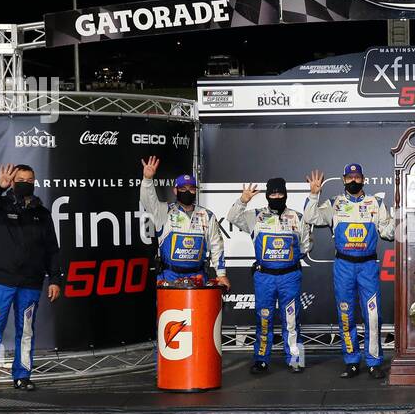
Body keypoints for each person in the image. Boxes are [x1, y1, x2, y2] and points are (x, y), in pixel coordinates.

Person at [0, 164, 63, 398]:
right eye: (20, 179)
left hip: (31, 283)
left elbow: (52, 250)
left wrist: (54, 279)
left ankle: (22, 376)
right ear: (11, 181)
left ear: (35, 182)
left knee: (27, 332)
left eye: (29, 179)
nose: (25, 182)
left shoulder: (42, 213)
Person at [304, 164, 394, 378]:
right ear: (343, 179)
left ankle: (373, 361)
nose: (353, 180)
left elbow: (389, 233)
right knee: (346, 314)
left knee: (372, 316)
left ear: (364, 179)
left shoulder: (376, 203)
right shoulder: (334, 203)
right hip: (344, 266)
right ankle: (352, 361)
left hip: (368, 266)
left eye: (357, 177)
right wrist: (314, 195)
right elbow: (311, 218)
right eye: (349, 177)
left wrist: (399, 218)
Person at [228, 178, 312, 375]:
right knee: (263, 319)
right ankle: (261, 360)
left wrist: (286, 260)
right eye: (272, 194)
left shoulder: (297, 217)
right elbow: (232, 217)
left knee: (291, 320)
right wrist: (243, 200)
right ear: (267, 196)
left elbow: (306, 245)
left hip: (289, 276)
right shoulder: (256, 217)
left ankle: (295, 358)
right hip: (264, 277)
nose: (276, 197)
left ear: (285, 194)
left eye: (279, 194)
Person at [139, 157, 229, 289]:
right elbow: (148, 201)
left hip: (198, 279)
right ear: (175, 190)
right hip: (169, 278)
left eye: (191, 188)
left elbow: (217, 246)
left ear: (196, 191)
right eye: (183, 188)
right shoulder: (164, 212)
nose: (187, 191)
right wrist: (147, 179)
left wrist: (221, 274)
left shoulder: (207, 215)